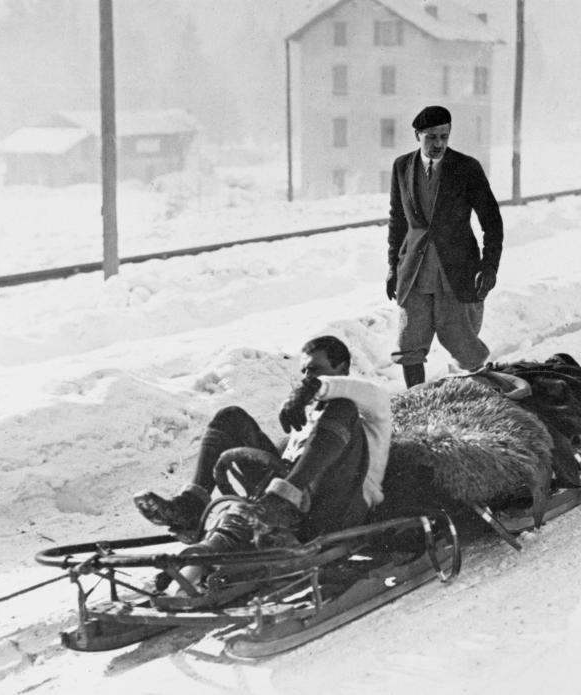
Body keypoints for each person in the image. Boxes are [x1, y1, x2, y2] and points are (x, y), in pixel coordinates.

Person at [133, 336, 391, 550]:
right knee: (231, 418)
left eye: (314, 370)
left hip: (340, 512)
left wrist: (310, 389)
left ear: (342, 369)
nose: (306, 378)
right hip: (290, 509)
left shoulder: (370, 403)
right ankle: (191, 508)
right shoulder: (312, 416)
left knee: (342, 407)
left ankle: (280, 501)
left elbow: (347, 393)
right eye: (303, 372)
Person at [386, 105, 503, 389]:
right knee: (409, 342)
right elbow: (397, 220)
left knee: (462, 341)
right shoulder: (402, 166)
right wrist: (392, 267)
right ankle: (416, 400)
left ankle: (482, 399)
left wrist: (489, 268)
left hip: (457, 271)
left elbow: (492, 221)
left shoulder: (466, 168)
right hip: (414, 271)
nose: (438, 144)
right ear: (418, 135)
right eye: (431, 137)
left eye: (444, 136)